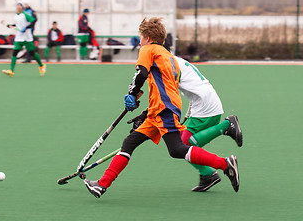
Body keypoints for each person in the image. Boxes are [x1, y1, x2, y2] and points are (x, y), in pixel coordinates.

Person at [84, 17, 240, 198]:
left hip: (164, 109)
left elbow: (140, 73)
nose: (140, 41)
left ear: (148, 38)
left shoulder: (147, 49)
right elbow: (161, 87)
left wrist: (132, 95)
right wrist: (146, 113)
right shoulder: (168, 57)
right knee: (129, 142)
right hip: (160, 109)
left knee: (176, 149)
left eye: (141, 37)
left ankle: (225, 164)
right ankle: (101, 185)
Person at [127, 56, 243, 192]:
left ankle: (226, 126)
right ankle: (207, 175)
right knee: (183, 145)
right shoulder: (174, 60)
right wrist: (187, 115)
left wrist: (146, 114)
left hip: (204, 107)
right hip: (203, 102)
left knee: (183, 145)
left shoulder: (165, 65)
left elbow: (165, 99)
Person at [2, 2, 46, 77]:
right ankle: (11, 71)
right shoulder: (16, 16)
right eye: (17, 6)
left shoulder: (25, 15)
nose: (18, 7)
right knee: (15, 52)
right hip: (19, 37)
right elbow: (17, 25)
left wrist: (26, 28)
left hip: (27, 37)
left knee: (32, 53)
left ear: (22, 8)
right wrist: (11, 25)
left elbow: (33, 21)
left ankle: (41, 66)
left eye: (19, 6)